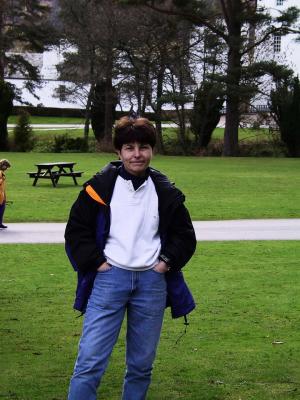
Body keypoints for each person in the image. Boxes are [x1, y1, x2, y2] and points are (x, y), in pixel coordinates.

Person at [65, 115, 196, 400]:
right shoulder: (97, 188)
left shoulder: (165, 191)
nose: (137, 154)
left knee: (141, 366)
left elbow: (185, 236)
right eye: (129, 147)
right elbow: (76, 232)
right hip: (109, 279)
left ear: (152, 150)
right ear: (118, 152)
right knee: (90, 363)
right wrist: (99, 264)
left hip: (152, 283)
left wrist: (164, 264)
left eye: (144, 147)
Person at [0, 159, 11, 229]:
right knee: (1, 209)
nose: (6, 168)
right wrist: (2, 179)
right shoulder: (0, 172)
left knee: (2, 209)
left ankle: (0, 223)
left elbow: (3, 187)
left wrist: (5, 196)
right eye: (6, 167)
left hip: (2, 194)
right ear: (3, 165)